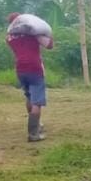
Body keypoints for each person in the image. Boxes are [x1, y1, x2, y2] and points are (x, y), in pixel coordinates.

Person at [6, 12, 54, 142]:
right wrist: (47, 34)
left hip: (20, 69)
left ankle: (37, 125)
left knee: (29, 97)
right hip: (35, 68)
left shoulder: (10, 38)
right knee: (37, 102)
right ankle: (33, 134)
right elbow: (49, 45)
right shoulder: (33, 34)